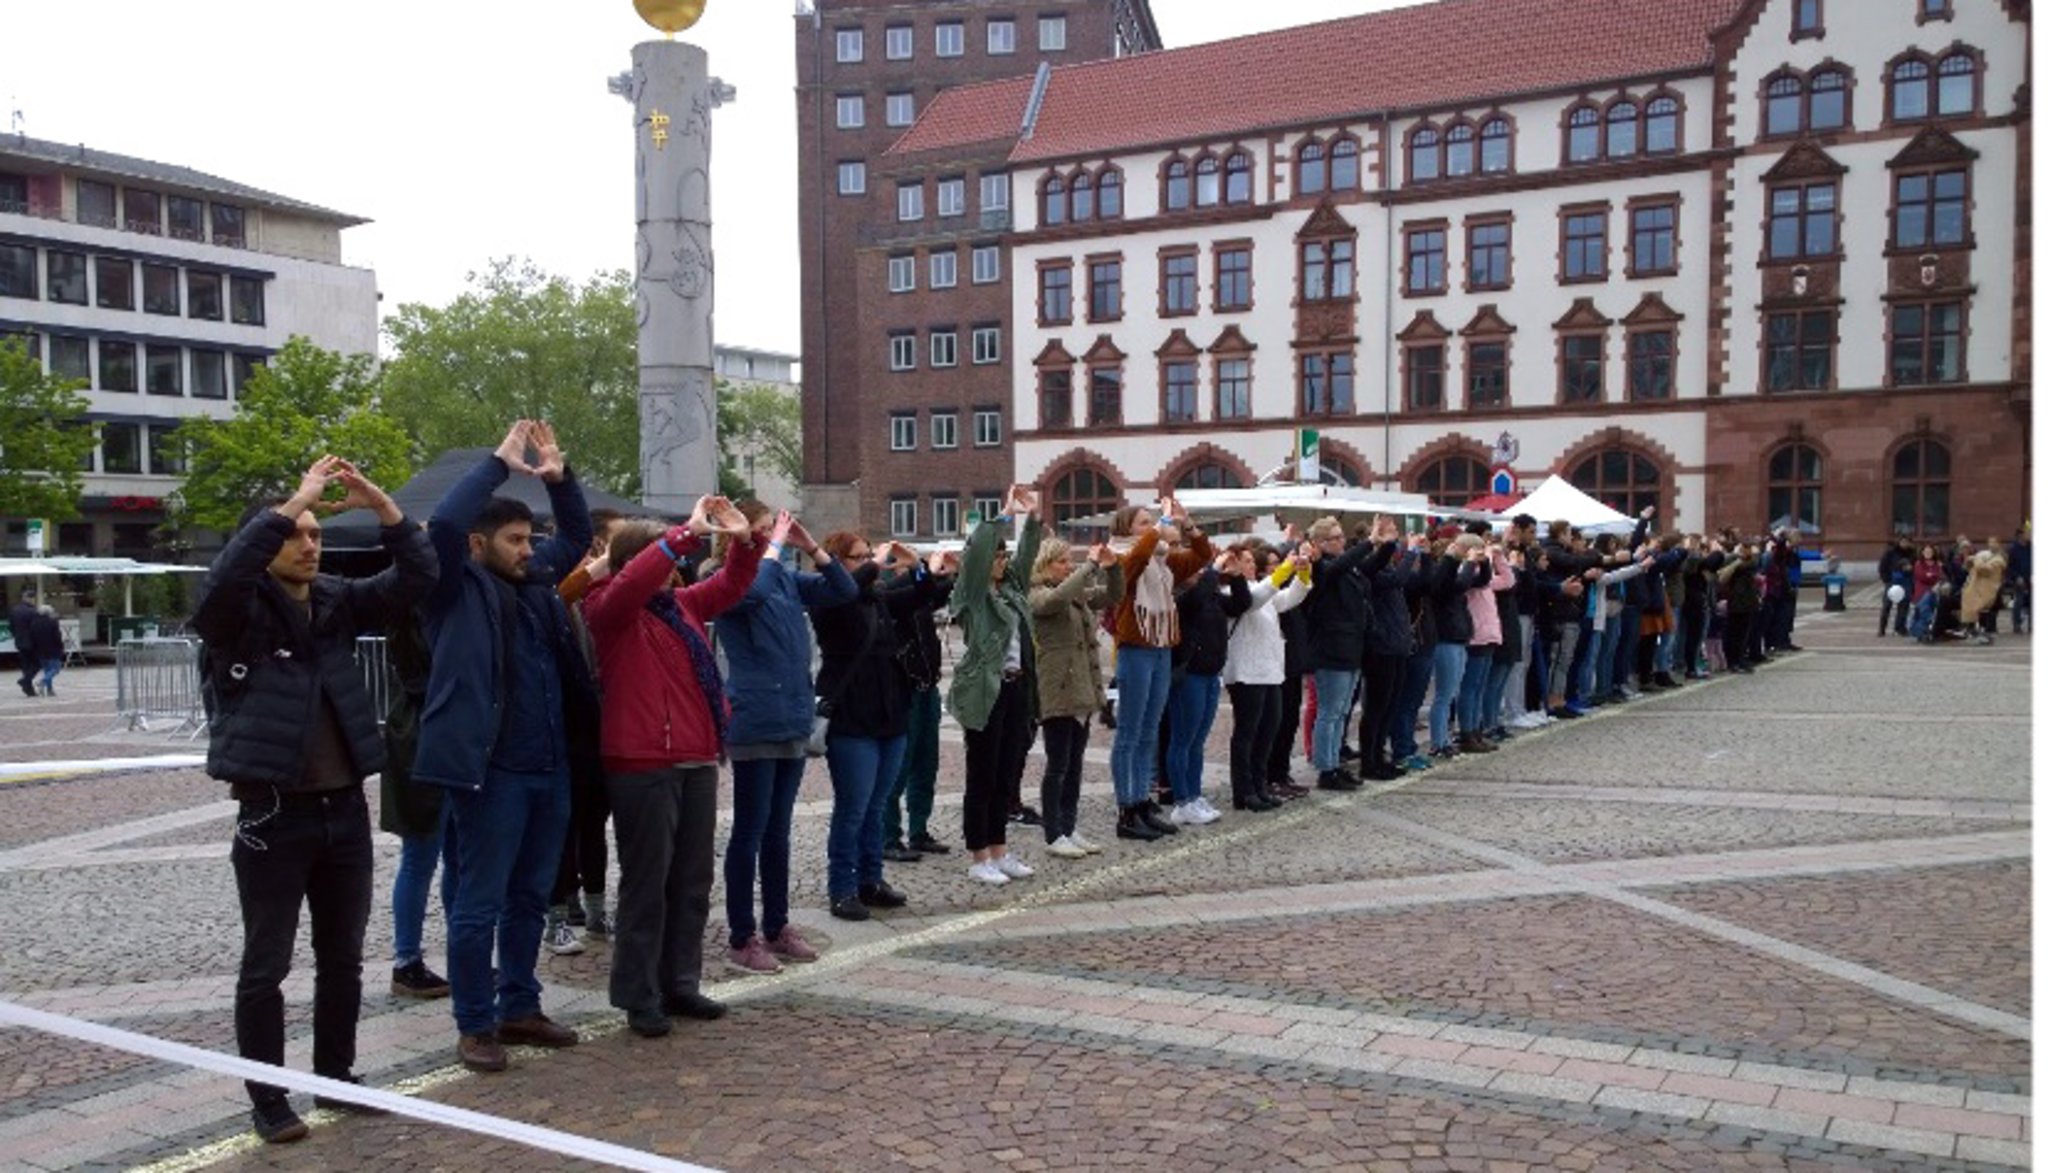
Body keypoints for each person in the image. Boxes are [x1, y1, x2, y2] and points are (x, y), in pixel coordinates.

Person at [192, 455, 437, 1144]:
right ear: (266, 544)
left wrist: (382, 504)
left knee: (343, 956)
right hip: (275, 814)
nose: (309, 543)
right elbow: (219, 585)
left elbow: (418, 577)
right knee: (266, 963)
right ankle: (269, 1097)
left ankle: (336, 1074)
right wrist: (293, 497)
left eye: (315, 532)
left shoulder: (333, 599)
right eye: (294, 533)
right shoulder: (236, 617)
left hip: (343, 810)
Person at [413, 422, 596, 1073]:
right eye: (514, 539)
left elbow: (574, 538)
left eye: (529, 538)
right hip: (490, 770)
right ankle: (475, 1021)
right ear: (478, 543)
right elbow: (439, 526)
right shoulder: (452, 586)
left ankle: (520, 1003)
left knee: (530, 897)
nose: (529, 549)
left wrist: (559, 477)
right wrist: (497, 464)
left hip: (550, 764)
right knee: (479, 901)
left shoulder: (535, 582)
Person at [583, 501, 760, 1036]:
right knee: (647, 882)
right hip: (642, 761)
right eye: (667, 561)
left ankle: (680, 981)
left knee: (691, 880)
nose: (678, 572)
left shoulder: (679, 606)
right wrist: (683, 535)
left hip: (695, 757)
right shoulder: (607, 607)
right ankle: (638, 993)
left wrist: (745, 542)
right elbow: (635, 580)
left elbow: (731, 586)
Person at [712, 504, 852, 974]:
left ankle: (776, 925)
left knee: (778, 832)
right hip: (755, 718)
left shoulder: (787, 578)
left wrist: (811, 548)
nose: (779, 533)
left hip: (792, 714)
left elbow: (843, 590)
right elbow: (751, 593)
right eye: (770, 527)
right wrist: (768, 548)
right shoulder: (726, 579)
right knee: (749, 832)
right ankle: (740, 936)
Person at [811, 531, 933, 918]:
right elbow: (847, 591)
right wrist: (874, 565)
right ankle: (842, 887)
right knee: (853, 807)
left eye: (867, 555)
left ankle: (871, 880)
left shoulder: (876, 598)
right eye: (857, 557)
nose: (867, 562)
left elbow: (921, 596)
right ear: (835, 562)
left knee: (876, 805)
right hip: (852, 716)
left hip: (890, 711)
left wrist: (919, 568)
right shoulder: (828, 599)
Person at [545, 508, 633, 949]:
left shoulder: (608, 590)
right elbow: (558, 599)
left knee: (596, 821)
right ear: (598, 544)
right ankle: (557, 915)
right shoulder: (560, 586)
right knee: (562, 824)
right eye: (619, 540)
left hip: (603, 719)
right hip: (565, 724)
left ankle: (596, 910)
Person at [950, 485, 1046, 881]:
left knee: (1007, 773)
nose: (1003, 560)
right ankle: (979, 856)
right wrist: (1004, 515)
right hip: (984, 692)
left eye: (1005, 554)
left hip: (1015, 687)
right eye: (998, 554)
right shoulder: (972, 594)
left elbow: (1027, 556)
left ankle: (1000, 850)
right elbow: (974, 556)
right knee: (983, 774)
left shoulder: (1011, 590)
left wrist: (1034, 517)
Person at [1105, 498, 1212, 840]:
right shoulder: (1120, 556)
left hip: (1162, 647)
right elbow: (1131, 565)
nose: (1150, 527)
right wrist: (1158, 529)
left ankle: (1141, 801)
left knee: (1149, 731)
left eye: (1150, 521)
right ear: (1125, 529)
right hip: (1136, 648)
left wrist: (1188, 524)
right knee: (1129, 733)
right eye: (1142, 523)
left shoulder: (1162, 561)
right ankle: (1127, 809)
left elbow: (1201, 556)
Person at [1029, 534, 1121, 857]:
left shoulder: (1075, 592)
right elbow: (1053, 602)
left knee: (1075, 764)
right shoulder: (1037, 593)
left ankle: (1069, 826)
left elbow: (1113, 594)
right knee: (1058, 765)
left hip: (1081, 686)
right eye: (1062, 561)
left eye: (1070, 561)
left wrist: (1112, 568)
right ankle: (1054, 833)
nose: (1069, 567)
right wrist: (1089, 566)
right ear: (1045, 564)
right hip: (1057, 688)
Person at [378, 610, 454, 1000]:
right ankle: (407, 960)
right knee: (421, 854)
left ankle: (461, 953)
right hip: (420, 742)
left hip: (440, 741)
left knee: (453, 856)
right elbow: (422, 680)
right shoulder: (411, 611)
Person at [1300, 516, 1394, 789]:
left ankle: (1334, 763)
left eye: (1342, 537)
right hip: (1332, 648)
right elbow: (1338, 568)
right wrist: (1369, 542)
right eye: (1336, 538)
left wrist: (1386, 545)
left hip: (1352, 647)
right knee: (1329, 712)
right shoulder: (1321, 567)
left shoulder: (1348, 568)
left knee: (1341, 711)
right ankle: (1325, 768)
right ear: (1319, 543)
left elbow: (1371, 566)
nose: (1342, 541)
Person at [1221, 543, 1310, 810]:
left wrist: (1302, 575)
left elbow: (1288, 598)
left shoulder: (1263, 589)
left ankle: (1260, 785)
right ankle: (1243, 790)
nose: (1251, 565)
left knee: (1268, 731)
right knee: (1247, 733)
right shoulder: (1229, 592)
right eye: (1245, 561)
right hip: (1247, 672)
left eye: (1250, 561)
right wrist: (1283, 570)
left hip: (1270, 671)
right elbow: (1254, 600)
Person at [885, 547, 957, 862]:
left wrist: (952, 573)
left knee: (926, 764)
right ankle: (889, 836)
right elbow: (918, 591)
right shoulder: (890, 594)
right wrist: (922, 572)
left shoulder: (919, 592)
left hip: (927, 688)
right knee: (899, 767)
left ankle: (919, 830)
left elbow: (937, 591)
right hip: (905, 689)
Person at [1960, 542, 2007, 644]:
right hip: (1976, 592)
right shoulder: (1984, 560)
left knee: (1977, 608)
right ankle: (1971, 629)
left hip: (1984, 593)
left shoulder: (1997, 562)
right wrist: (1969, 559)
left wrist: (1976, 559)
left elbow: (1983, 570)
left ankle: (1979, 631)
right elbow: (1967, 568)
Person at [28, 604, 64, 697]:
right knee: (56, 669)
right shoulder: (52, 622)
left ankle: (49, 689)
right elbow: (57, 637)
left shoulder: (34, 623)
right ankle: (42, 681)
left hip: (40, 649)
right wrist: (61, 646)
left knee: (47, 669)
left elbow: (32, 637)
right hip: (53, 649)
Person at [10, 589, 40, 698]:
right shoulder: (33, 611)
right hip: (32, 642)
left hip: (19, 641)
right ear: (30, 599)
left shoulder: (14, 610)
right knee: (37, 664)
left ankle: (28, 688)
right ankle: (25, 681)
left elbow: (12, 626)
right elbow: (36, 628)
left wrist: (16, 636)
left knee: (26, 665)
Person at [2007, 526, 2031, 635]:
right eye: (2027, 533)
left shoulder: (2031, 548)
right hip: (2019, 579)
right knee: (2019, 602)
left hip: (2031, 577)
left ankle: (2032, 625)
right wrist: (2016, 577)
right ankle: (2017, 625)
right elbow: (2010, 567)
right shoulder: (2013, 549)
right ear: (2020, 535)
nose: (2029, 535)